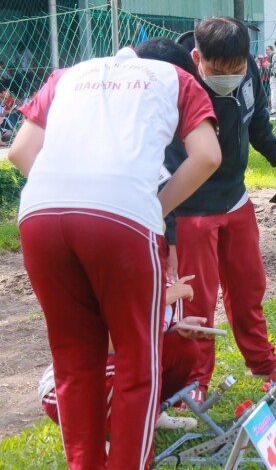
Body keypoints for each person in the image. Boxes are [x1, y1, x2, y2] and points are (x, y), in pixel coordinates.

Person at [10, 47, 220, 470]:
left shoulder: (66, 75)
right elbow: (208, 156)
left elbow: (19, 152)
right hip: (121, 216)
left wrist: (69, 198)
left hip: (39, 216)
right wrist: (155, 208)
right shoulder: (177, 79)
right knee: (137, 363)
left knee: (73, 362)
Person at [153, 23, 276, 399]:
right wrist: (168, 233)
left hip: (236, 198)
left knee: (249, 286)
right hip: (190, 208)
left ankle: (262, 360)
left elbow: (258, 121)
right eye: (220, 70)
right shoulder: (176, 79)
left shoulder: (247, 71)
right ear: (198, 59)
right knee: (196, 299)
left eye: (237, 67)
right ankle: (194, 379)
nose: (230, 77)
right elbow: (159, 162)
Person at [38, 274, 210, 433]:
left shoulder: (162, 282)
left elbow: (149, 336)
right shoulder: (116, 279)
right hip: (66, 388)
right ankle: (101, 437)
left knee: (183, 348)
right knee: (142, 358)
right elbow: (103, 347)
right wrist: (161, 300)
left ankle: (150, 416)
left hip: (114, 368)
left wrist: (177, 328)